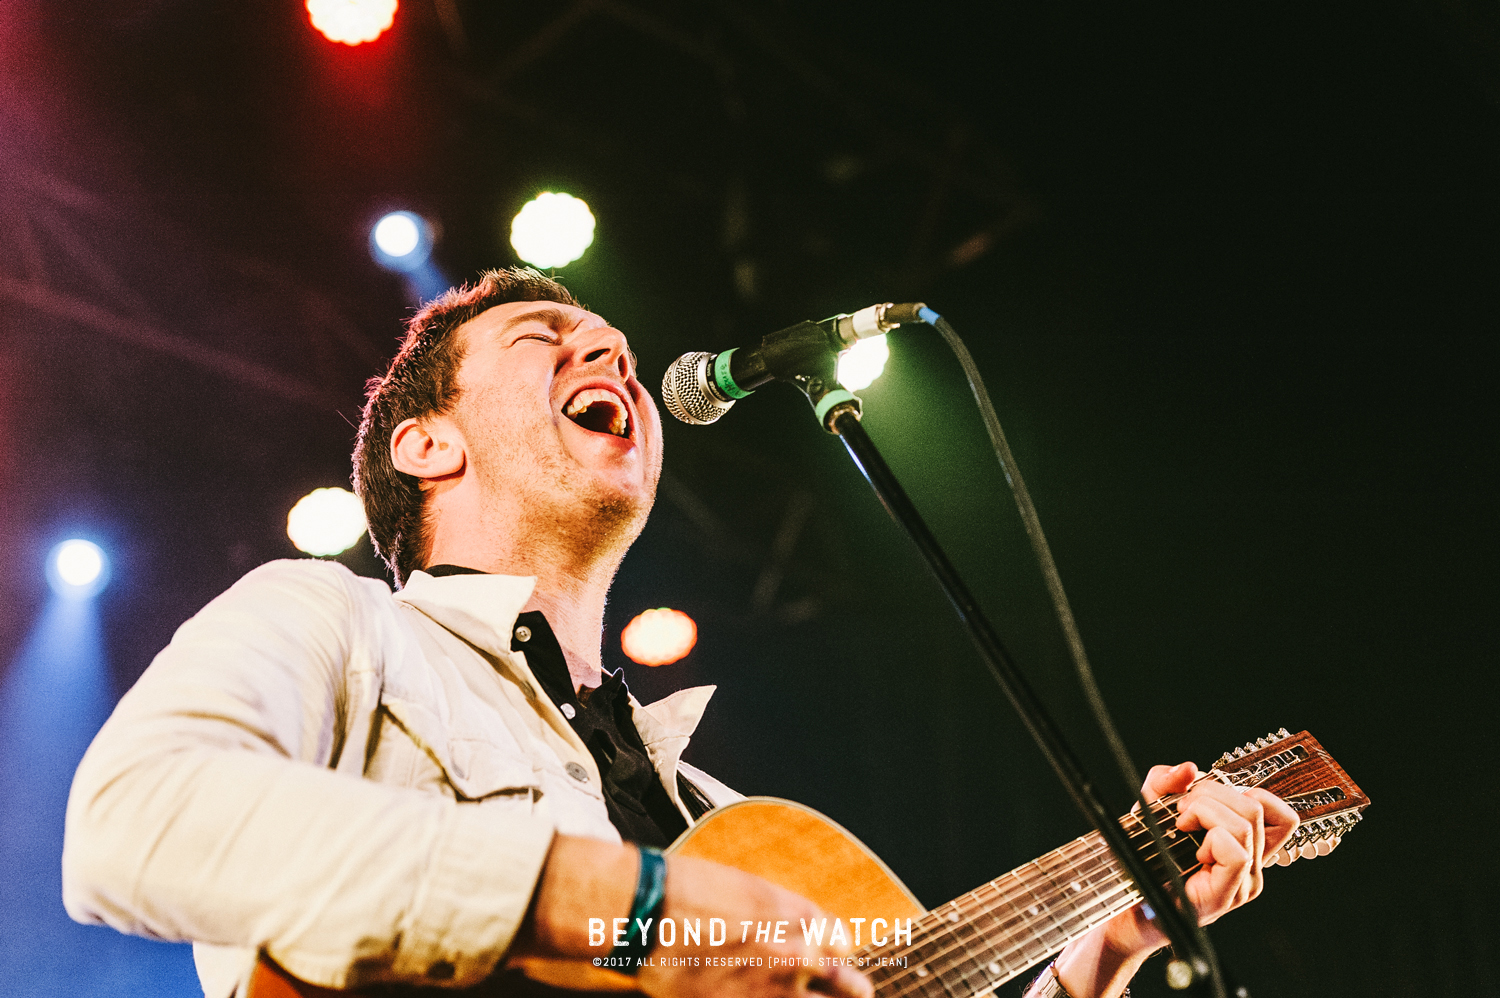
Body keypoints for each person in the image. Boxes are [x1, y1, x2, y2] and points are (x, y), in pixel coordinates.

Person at [62, 268, 1298, 998]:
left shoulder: (718, 808)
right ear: (425, 444)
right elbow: (129, 821)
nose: (608, 347)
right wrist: (635, 905)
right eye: (546, 340)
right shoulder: (332, 620)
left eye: (611, 342)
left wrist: (1109, 940)